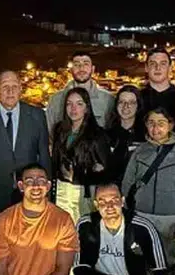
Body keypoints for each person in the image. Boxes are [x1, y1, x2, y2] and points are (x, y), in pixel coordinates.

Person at [122, 107, 175, 246]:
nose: (155, 128)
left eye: (161, 123)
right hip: (143, 215)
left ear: (170, 125)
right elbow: (127, 182)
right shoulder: (140, 151)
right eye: (151, 123)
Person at [0, 71, 50, 217]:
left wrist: (47, 191)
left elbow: (44, 155)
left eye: (14, 86)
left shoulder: (37, 115)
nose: (10, 91)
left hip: (30, 194)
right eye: (5, 87)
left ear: (21, 89)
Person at [50, 88, 112, 223]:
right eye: (69, 104)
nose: (73, 108)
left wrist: (78, 176)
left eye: (79, 104)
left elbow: (107, 173)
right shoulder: (59, 130)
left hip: (84, 193)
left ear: (86, 107)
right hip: (60, 190)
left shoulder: (97, 135)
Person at [46, 51, 115, 132]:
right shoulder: (56, 99)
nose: (81, 68)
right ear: (71, 70)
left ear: (92, 69)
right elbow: (49, 131)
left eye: (86, 64)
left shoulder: (108, 99)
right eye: (76, 64)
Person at [105, 85, 144, 184]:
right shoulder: (106, 136)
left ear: (138, 106)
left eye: (131, 102)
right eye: (122, 102)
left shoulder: (145, 137)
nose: (126, 106)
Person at [138, 49, 175, 119]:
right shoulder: (136, 99)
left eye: (163, 64)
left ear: (170, 68)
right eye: (153, 64)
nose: (158, 68)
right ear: (146, 68)